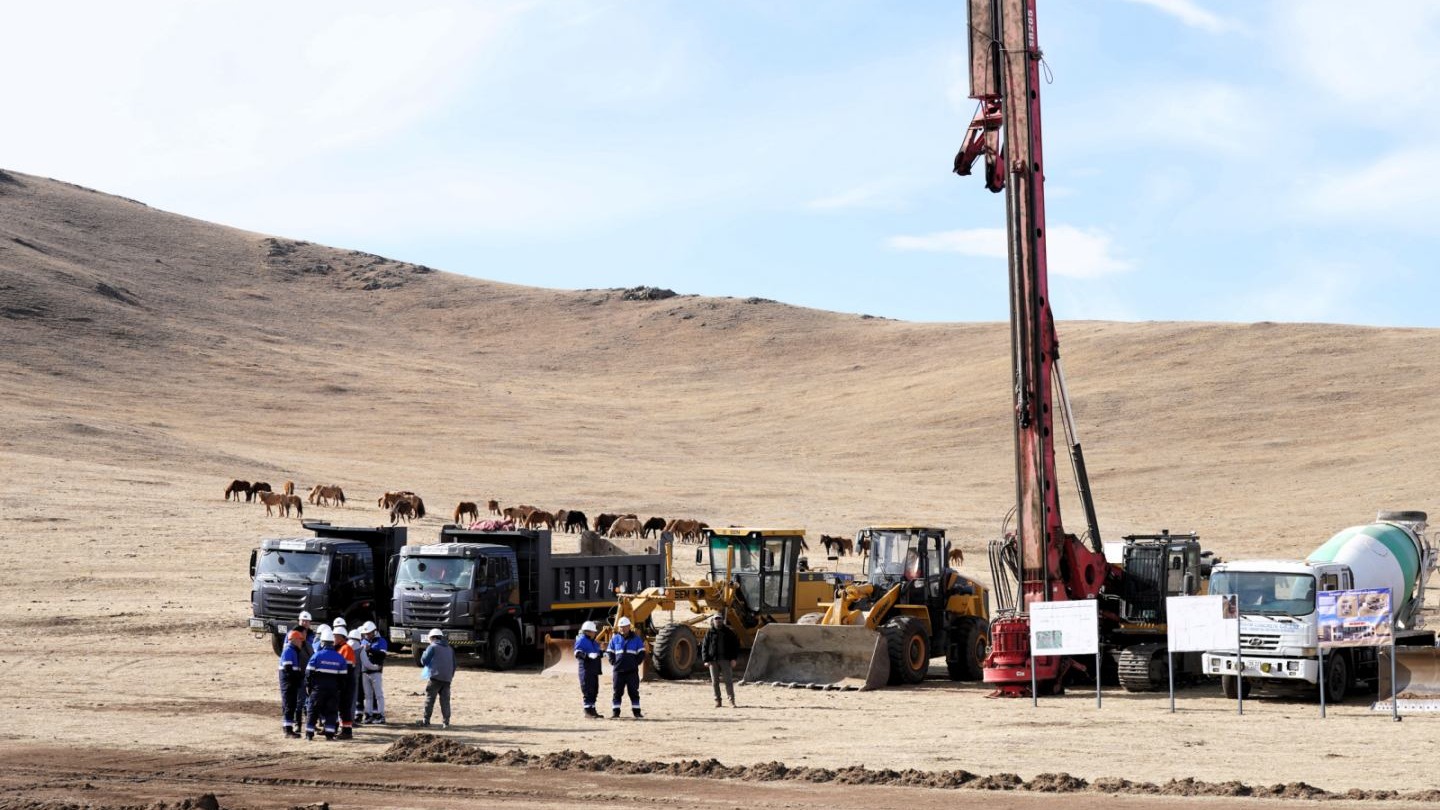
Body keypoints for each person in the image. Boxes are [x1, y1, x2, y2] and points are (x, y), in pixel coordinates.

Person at [304, 628, 348, 740]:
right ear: (333, 643)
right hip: (333, 689)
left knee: (313, 710)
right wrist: (339, 689)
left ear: (322, 642)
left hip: (318, 689)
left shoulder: (316, 656)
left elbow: (308, 673)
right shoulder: (340, 658)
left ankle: (309, 734)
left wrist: (309, 686)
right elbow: (343, 677)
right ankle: (329, 734)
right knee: (331, 711)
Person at [605, 616, 645, 719]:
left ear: (629, 627)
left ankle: (637, 713)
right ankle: (615, 713)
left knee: (633, 692)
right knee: (617, 692)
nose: (622, 629)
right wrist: (613, 661)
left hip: (631, 671)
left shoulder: (636, 639)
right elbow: (609, 652)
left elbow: (641, 652)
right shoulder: (614, 639)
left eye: (624, 626)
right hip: (618, 671)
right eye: (620, 627)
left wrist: (636, 662)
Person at [700, 613, 740, 708]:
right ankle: (718, 701)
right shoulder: (709, 632)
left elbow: (735, 646)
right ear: (713, 621)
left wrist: (734, 659)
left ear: (722, 620)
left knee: (728, 681)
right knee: (715, 682)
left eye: (719, 619)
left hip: (726, 660)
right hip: (713, 661)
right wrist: (706, 660)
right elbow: (704, 646)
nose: (718, 620)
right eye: (716, 619)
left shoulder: (728, 632)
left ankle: (731, 701)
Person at [419, 628, 456, 728]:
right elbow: (454, 665)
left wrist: (423, 653)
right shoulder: (450, 648)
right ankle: (446, 723)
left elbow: (424, 661)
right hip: (447, 679)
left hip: (435, 677)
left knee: (430, 699)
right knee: (445, 701)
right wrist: (450, 676)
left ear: (433, 638)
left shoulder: (433, 647)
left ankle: (426, 720)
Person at [278, 630, 308, 737]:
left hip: (290, 683)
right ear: (294, 640)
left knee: (290, 705)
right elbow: (288, 669)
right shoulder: (288, 651)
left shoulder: (293, 651)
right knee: (289, 705)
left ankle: (288, 728)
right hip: (288, 683)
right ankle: (288, 730)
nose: (301, 643)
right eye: (300, 640)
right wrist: (297, 678)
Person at [573, 621, 604, 718]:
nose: (595, 633)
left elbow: (597, 652)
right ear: (587, 632)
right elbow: (577, 653)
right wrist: (587, 655)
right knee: (588, 690)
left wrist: (604, 653)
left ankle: (593, 710)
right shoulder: (581, 640)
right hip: (586, 670)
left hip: (594, 670)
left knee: (594, 690)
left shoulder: (593, 642)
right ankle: (587, 711)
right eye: (594, 632)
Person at [360, 621, 388, 724]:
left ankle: (381, 716)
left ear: (374, 631)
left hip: (376, 672)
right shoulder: (363, 641)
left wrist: (370, 649)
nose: (367, 635)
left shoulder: (381, 641)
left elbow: (382, 655)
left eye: (368, 633)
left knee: (378, 695)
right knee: (367, 695)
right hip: (365, 671)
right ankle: (368, 715)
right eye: (365, 634)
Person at [334, 624, 357, 739]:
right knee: (342, 707)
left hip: (346, 682)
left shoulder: (346, 648)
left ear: (342, 637)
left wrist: (341, 684)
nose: (333, 638)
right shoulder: (340, 648)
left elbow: (347, 669)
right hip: (344, 682)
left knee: (344, 707)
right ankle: (344, 729)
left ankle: (347, 731)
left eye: (335, 636)